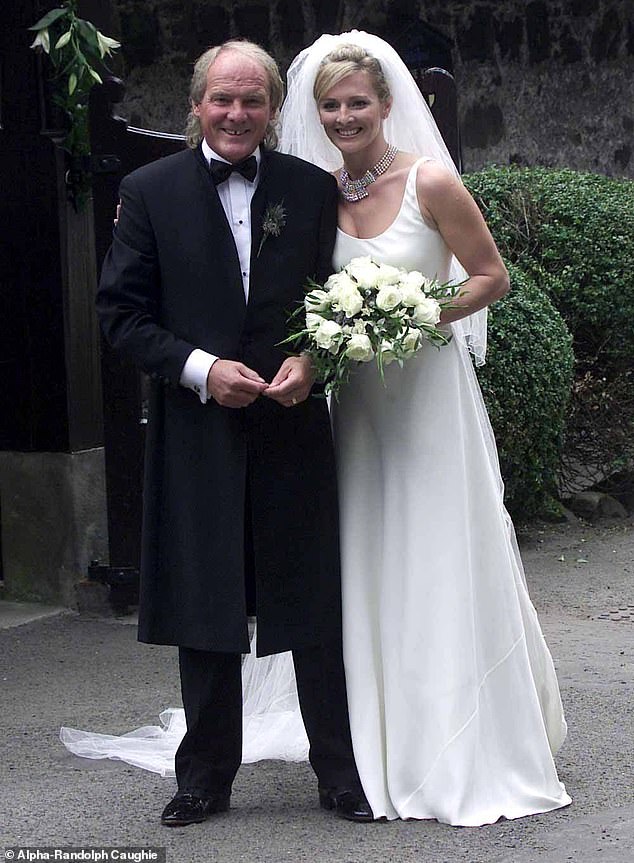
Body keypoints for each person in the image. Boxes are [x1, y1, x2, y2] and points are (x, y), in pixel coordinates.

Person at [269, 31, 572, 825]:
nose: (342, 116)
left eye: (356, 103)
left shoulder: (429, 180)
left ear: (386, 104)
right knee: (371, 557)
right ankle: (378, 735)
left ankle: (458, 735)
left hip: (429, 399)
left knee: (437, 553)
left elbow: (491, 276)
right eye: (329, 105)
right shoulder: (319, 194)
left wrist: (422, 313)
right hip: (360, 408)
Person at [95, 39, 371, 826]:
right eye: (223, 98)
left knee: (313, 600)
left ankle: (340, 772)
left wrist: (312, 359)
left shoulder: (313, 190)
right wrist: (197, 368)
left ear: (273, 109)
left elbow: (340, 298)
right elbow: (120, 314)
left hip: (291, 424)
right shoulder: (148, 191)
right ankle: (205, 776)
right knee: (205, 601)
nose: (237, 113)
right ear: (196, 103)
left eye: (253, 100)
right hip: (195, 427)